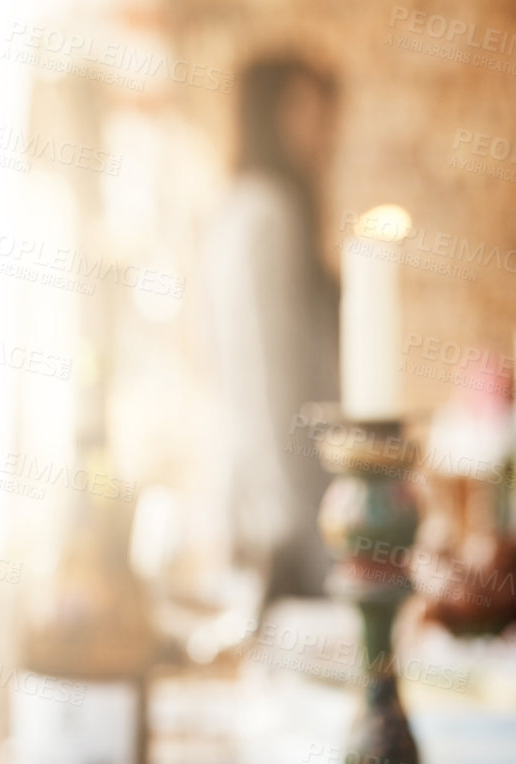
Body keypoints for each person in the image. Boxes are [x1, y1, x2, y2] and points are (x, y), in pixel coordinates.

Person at [203, 56, 339, 598]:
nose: (324, 128)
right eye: (307, 109)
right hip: (280, 519)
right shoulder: (266, 214)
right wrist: (296, 529)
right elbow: (267, 377)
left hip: (263, 506)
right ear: (271, 113)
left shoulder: (240, 208)